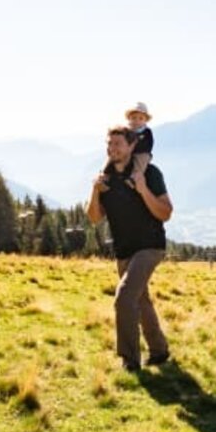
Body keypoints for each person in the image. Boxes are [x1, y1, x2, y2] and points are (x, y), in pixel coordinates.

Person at [87, 125, 173, 373]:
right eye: (109, 144)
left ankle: (130, 360)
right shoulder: (105, 179)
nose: (112, 149)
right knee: (141, 300)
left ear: (132, 145)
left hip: (150, 247)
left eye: (118, 144)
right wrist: (94, 191)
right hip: (124, 251)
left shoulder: (150, 173)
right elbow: (94, 217)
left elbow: (166, 213)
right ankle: (160, 350)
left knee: (124, 298)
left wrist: (143, 188)